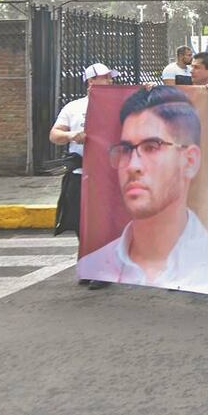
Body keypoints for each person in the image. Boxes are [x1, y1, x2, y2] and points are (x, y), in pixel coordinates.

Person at [77, 86, 208, 291]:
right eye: (126, 149)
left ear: (190, 161)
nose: (132, 166)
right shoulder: (97, 263)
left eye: (151, 147)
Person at [49, 62, 119, 287]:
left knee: (102, 222)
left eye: (110, 77)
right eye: (105, 77)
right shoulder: (73, 107)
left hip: (106, 173)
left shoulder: (118, 106)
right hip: (80, 171)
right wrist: (72, 136)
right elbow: (55, 135)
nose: (110, 81)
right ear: (91, 81)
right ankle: (90, 263)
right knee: (79, 220)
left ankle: (103, 269)